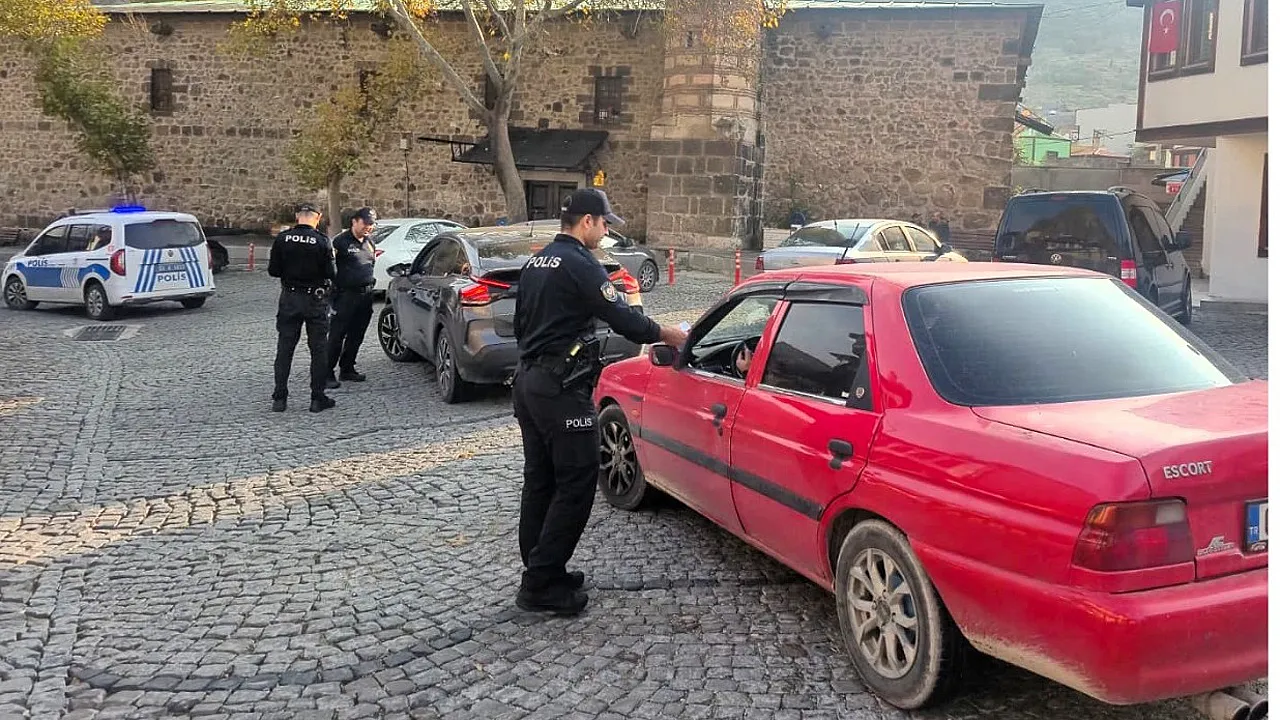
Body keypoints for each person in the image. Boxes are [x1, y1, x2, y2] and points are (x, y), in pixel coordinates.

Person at [512, 188, 687, 616]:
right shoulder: (579, 263)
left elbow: (520, 324)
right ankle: (540, 583)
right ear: (586, 221)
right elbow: (624, 318)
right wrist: (668, 334)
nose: (607, 231)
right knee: (576, 483)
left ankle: (542, 567)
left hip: (529, 384)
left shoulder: (538, 260)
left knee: (540, 480)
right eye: (605, 223)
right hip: (561, 390)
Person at [268, 203, 337, 414]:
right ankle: (317, 398)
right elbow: (331, 272)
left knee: (285, 349)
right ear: (317, 218)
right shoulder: (322, 241)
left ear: (297, 217)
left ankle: (280, 397)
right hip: (315, 300)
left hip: (289, 298)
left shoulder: (282, 239)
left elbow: (273, 270)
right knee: (318, 349)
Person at [325, 206, 379, 389]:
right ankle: (326, 372)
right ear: (354, 221)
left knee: (357, 334)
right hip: (345, 295)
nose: (369, 227)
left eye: (371, 224)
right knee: (336, 335)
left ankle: (347, 368)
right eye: (365, 223)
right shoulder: (340, 242)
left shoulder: (369, 241)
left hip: (365, 295)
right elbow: (329, 269)